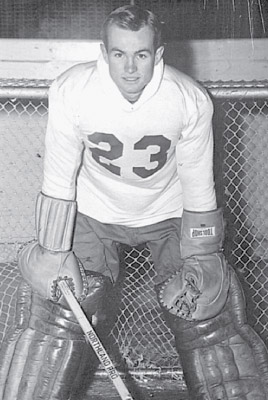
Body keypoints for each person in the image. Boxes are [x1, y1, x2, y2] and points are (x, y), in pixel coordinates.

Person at [1, 5, 268, 400]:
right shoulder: (73, 90)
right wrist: (54, 248)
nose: (130, 69)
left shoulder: (188, 99)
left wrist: (202, 254)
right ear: (104, 52)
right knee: (63, 305)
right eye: (119, 54)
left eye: (141, 54)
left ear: (157, 54)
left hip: (167, 212)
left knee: (204, 306)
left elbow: (198, 183)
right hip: (94, 211)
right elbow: (59, 173)